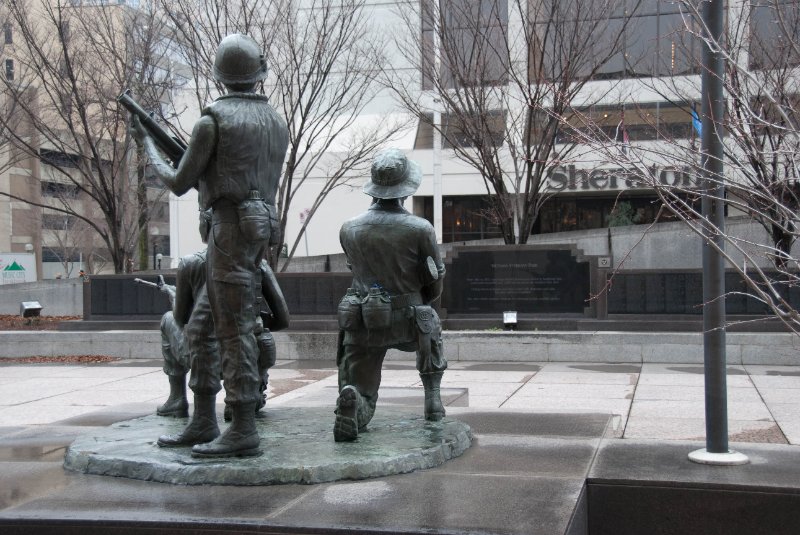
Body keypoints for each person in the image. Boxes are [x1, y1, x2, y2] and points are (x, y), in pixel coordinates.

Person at [132, 34, 289, 457]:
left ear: (219, 74)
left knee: (234, 330)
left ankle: (241, 426)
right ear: (259, 72)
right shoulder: (275, 120)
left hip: (228, 232)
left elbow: (180, 182)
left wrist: (146, 142)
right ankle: (203, 420)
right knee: (199, 329)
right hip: (254, 231)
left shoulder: (212, 121)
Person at [334, 148, 447, 442]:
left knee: (361, 384)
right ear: (406, 189)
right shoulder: (420, 229)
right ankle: (432, 399)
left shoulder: (349, 228)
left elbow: (353, 269)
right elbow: (435, 279)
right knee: (429, 323)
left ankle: (356, 400)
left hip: (363, 319)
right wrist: (425, 298)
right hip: (410, 319)